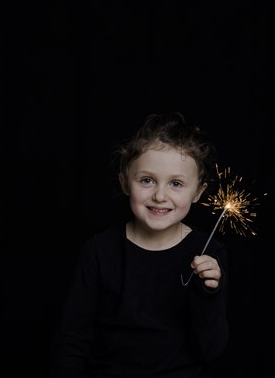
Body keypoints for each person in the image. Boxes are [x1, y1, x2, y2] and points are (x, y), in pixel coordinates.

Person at [49, 112, 229, 378]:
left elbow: (210, 350)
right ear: (125, 182)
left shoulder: (208, 254)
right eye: (147, 180)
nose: (159, 195)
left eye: (176, 184)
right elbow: (72, 340)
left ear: (198, 192)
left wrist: (208, 295)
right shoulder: (100, 251)